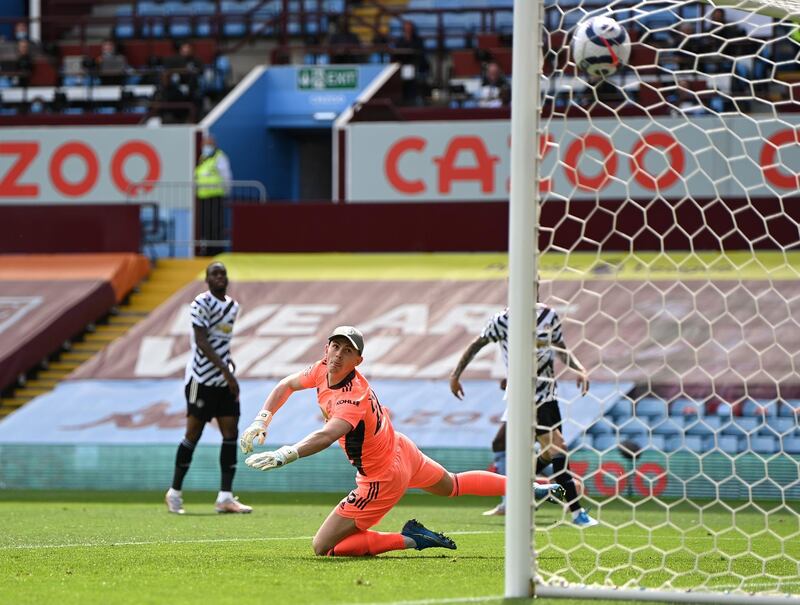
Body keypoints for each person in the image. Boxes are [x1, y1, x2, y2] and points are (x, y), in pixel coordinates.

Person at [239, 326, 565, 556]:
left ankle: (411, 539)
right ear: (326, 349)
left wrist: (288, 453)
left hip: (382, 478)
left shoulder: (353, 397)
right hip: (402, 449)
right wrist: (262, 419)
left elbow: (328, 435)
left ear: (358, 362)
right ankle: (528, 487)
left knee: (324, 547)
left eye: (347, 350)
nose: (338, 354)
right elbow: (286, 384)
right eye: (335, 346)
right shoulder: (322, 368)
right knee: (451, 485)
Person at [449, 295, 598, 527]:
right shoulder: (502, 320)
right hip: (525, 398)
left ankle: (524, 489)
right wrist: (455, 375)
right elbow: (477, 344)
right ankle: (577, 513)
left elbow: (560, 348)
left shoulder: (549, 316)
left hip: (549, 395)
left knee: (551, 452)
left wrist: (580, 369)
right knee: (556, 448)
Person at [165, 261, 252, 515]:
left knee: (230, 433)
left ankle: (225, 497)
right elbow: (201, 341)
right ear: (207, 278)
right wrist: (227, 371)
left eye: (223, 273)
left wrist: (228, 363)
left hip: (223, 381)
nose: (220, 277)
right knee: (193, 433)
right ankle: (174, 493)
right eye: (215, 273)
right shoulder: (200, 303)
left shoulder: (233, 307)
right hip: (200, 380)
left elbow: (221, 342)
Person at [194, 133, 232, 256]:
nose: (206, 146)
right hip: (204, 197)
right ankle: (208, 250)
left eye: (208, 144)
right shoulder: (202, 158)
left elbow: (226, 176)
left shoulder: (219, 157)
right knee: (206, 226)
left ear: (214, 144)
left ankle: (217, 251)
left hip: (216, 196)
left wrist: (227, 191)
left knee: (216, 225)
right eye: (204, 144)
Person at [392, 20, 429, 105]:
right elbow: (397, 54)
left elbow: (420, 54)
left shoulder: (418, 40)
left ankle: (413, 99)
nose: (408, 30)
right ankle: (402, 99)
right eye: (406, 28)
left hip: (416, 65)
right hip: (402, 66)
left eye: (409, 28)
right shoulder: (400, 41)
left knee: (413, 77)